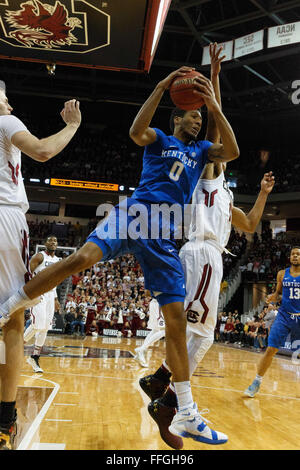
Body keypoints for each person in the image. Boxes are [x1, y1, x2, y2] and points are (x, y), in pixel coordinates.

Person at [0, 64, 240, 447]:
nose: (197, 123)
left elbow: (233, 149)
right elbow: (134, 131)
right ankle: (8, 306)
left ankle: (186, 412)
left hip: (166, 234)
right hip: (135, 215)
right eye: (192, 116)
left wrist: (213, 103)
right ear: (177, 116)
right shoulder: (160, 137)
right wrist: (162, 86)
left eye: (200, 118)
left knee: (177, 325)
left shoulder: (202, 149)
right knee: (82, 258)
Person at [139, 43, 275, 449]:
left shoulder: (226, 195)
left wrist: (265, 193)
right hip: (198, 252)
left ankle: (162, 383)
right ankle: (170, 401)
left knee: (201, 334)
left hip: (212, 257)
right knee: (199, 334)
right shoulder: (205, 168)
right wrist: (214, 83)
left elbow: (250, 225)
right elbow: (215, 131)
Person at [0, 84, 81, 450]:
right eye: (5, 97)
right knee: (12, 320)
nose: (9, 102)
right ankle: (5, 419)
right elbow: (44, 150)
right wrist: (73, 126)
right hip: (4, 219)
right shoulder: (6, 121)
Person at [244, 247, 300, 397]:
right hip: (284, 316)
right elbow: (278, 293)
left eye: (298, 254)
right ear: (289, 257)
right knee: (271, 349)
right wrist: (272, 297)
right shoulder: (282, 274)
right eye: (293, 254)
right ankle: (256, 382)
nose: (295, 256)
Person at [24, 235, 61, 373]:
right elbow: (27, 273)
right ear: (45, 243)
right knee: (37, 325)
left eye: (55, 241)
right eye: (50, 240)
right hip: (39, 294)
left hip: (51, 295)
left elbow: (55, 281)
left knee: (45, 328)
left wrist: (56, 298)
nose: (53, 242)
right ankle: (14, 348)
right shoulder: (39, 257)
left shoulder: (57, 260)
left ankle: (34, 357)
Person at [134, 295, 165, 368]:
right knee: (164, 330)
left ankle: (141, 351)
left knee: (156, 330)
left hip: (157, 303)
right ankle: (142, 349)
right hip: (159, 303)